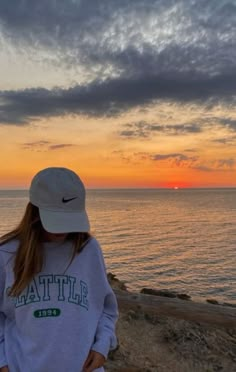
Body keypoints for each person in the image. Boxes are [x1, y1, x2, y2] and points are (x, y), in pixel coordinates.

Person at [0, 167, 118, 372]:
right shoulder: (7, 253)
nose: (64, 230)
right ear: (34, 211)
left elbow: (106, 308)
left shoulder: (88, 249)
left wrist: (102, 345)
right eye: (56, 221)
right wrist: (2, 361)